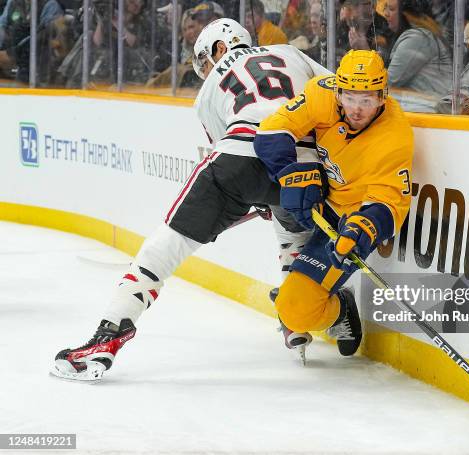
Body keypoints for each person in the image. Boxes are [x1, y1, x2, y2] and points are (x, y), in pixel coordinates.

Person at [52, 18, 331, 382]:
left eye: (205, 60)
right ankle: (296, 320)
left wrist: (258, 194)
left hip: (240, 156)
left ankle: (107, 339)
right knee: (291, 222)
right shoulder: (291, 53)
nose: (205, 71)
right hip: (309, 160)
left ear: (220, 48)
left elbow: (234, 154)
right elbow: (334, 92)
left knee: (165, 248)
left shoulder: (209, 90)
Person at [253, 50, 414, 357]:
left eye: (367, 100)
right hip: (325, 202)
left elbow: (389, 203)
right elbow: (273, 130)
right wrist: (290, 173)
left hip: (353, 220)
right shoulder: (322, 92)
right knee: (291, 312)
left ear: (383, 97)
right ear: (338, 89)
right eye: (350, 97)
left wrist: (361, 230)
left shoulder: (394, 136)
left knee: (294, 311)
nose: (356, 109)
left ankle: (336, 306)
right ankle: (340, 309)